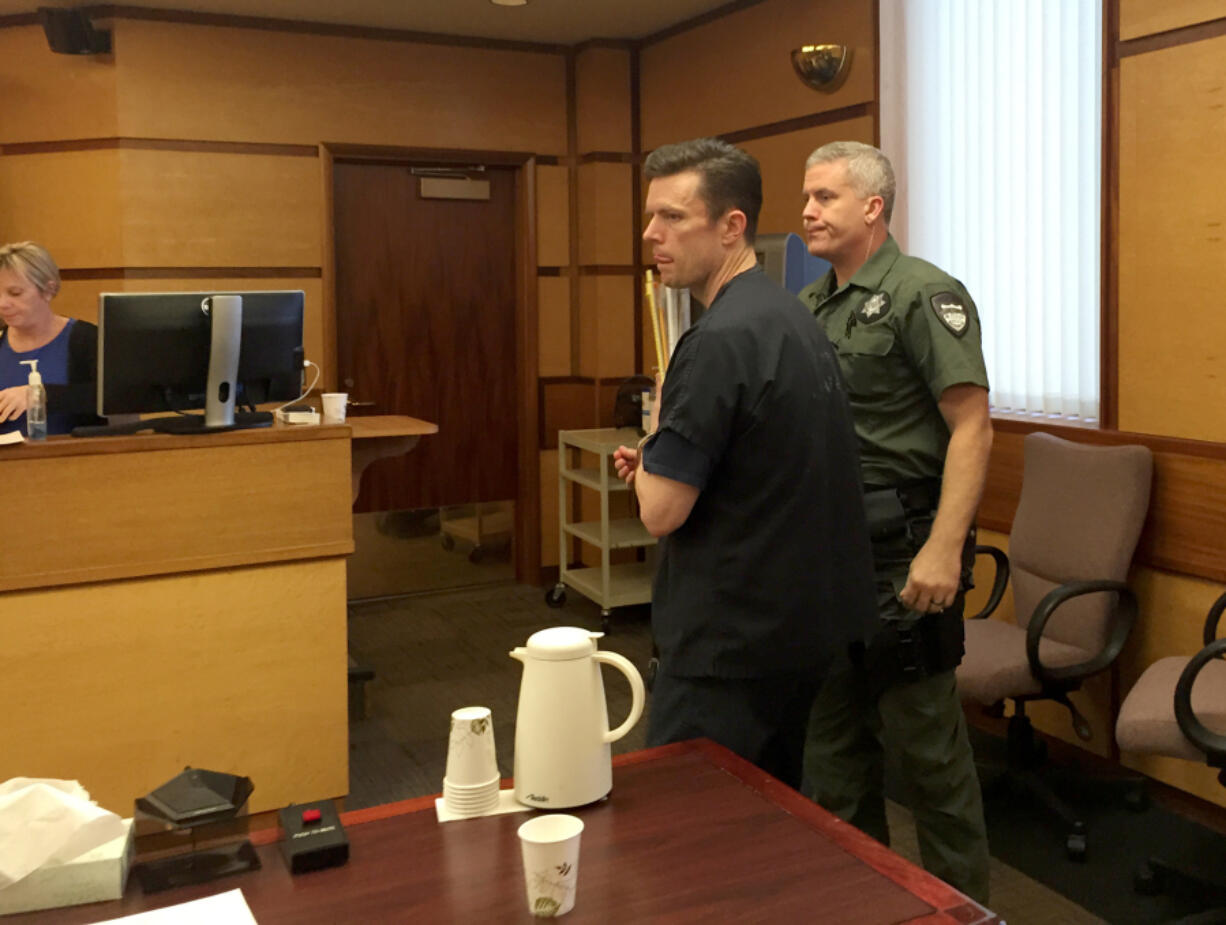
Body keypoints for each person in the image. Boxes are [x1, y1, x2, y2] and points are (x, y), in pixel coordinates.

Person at [612, 138, 877, 790]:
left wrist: (653, 448)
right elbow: (760, 463)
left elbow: (661, 512)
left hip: (726, 648)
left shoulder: (715, 340)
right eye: (651, 216)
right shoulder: (792, 317)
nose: (652, 233)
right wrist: (661, 459)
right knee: (767, 828)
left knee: (689, 837)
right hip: (795, 635)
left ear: (733, 226)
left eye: (673, 216)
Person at [796, 141, 993, 903]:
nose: (807, 211)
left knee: (927, 754)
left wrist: (944, 550)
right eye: (806, 197)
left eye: (825, 197)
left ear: (873, 207)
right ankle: (865, 905)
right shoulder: (811, 305)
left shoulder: (923, 293)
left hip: (905, 546)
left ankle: (960, 911)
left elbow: (972, 426)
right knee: (833, 750)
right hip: (827, 554)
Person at [0, 241, 100, 436]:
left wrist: (40, 395)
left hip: (74, 459)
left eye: (15, 293)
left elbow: (112, 398)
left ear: (48, 290)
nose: (2, 303)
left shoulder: (85, 340)